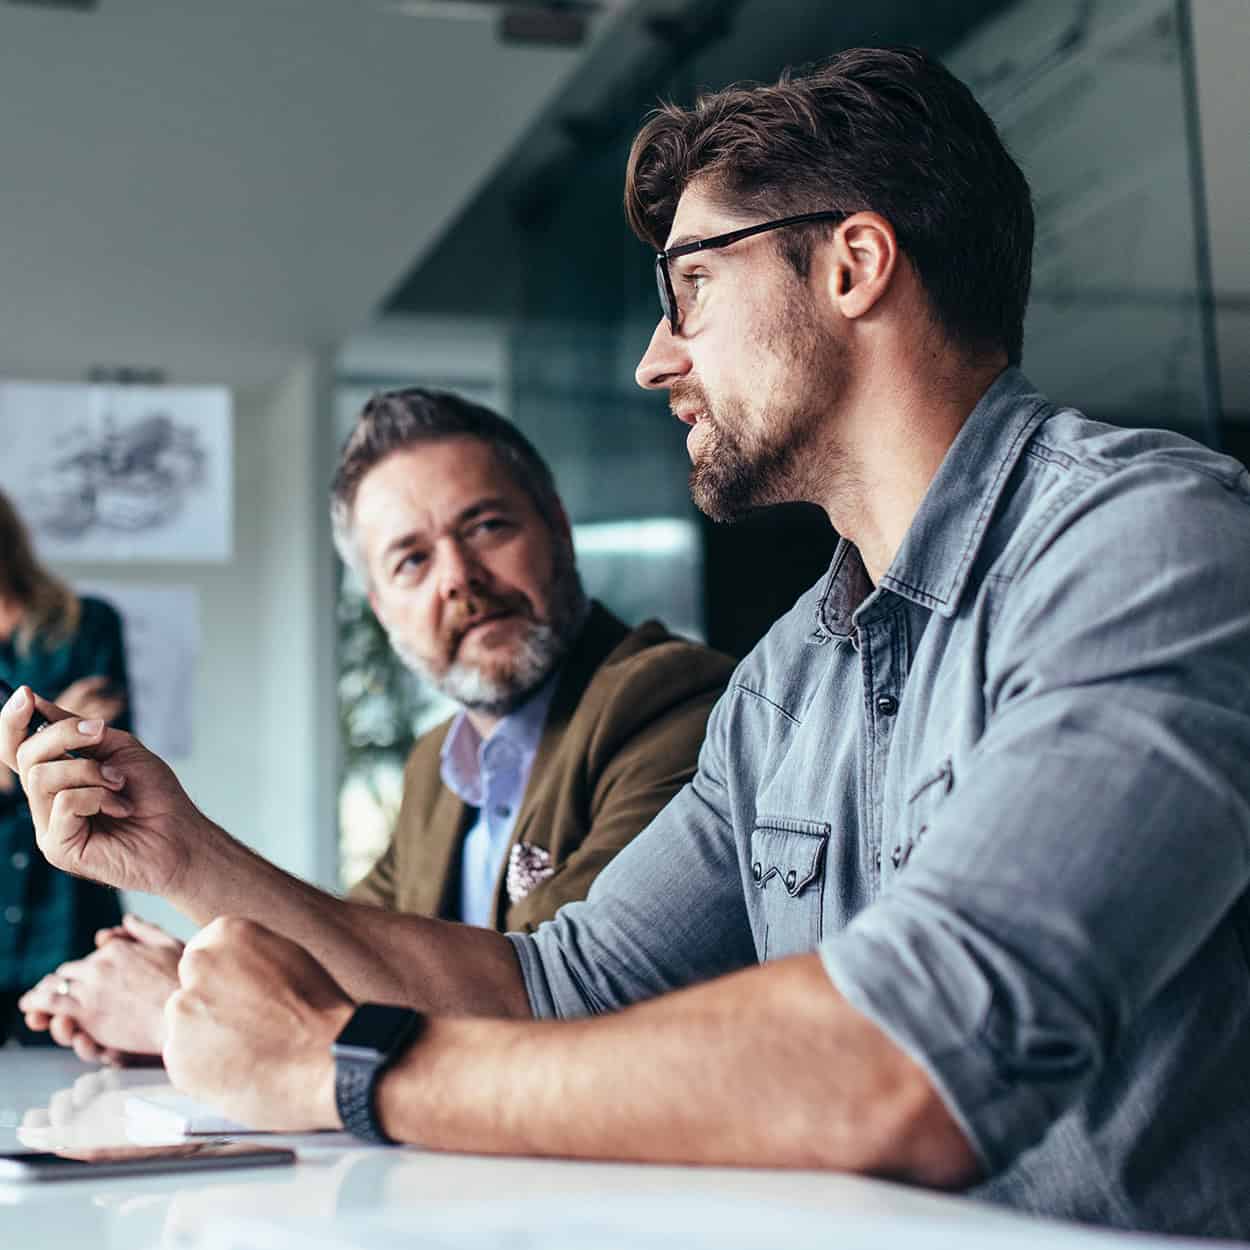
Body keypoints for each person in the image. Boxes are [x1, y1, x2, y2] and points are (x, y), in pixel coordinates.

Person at [4, 45, 1250, 1237]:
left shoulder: (1143, 541)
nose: (657, 358)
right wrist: (181, 850)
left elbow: (910, 1055)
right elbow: (550, 984)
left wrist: (351, 1069)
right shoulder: (788, 679)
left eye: (691, 283)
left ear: (854, 264)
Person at [15, 389, 734, 1063]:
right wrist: (200, 966)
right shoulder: (437, 766)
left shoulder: (670, 703)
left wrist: (184, 1004)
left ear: (557, 526)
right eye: (411, 560)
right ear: (381, 606)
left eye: (486, 526)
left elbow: (550, 1006)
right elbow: (348, 952)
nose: (457, 577)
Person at [0, 489, 131, 1045]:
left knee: (83, 1103)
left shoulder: (88, 623)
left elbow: (98, 758)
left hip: (71, 905)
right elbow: (62, 746)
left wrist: (16, 761)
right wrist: (46, 735)